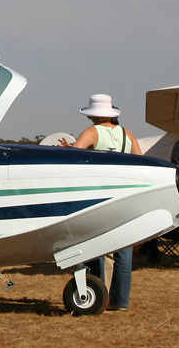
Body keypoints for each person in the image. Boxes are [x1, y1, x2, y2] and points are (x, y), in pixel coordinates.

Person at [59, 94, 142, 311]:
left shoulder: (92, 132)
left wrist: (69, 148)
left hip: (99, 196)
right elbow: (139, 160)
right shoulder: (127, 134)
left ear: (93, 114)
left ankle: (99, 295)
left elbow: (74, 158)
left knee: (94, 245)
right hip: (125, 195)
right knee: (123, 253)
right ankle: (120, 301)